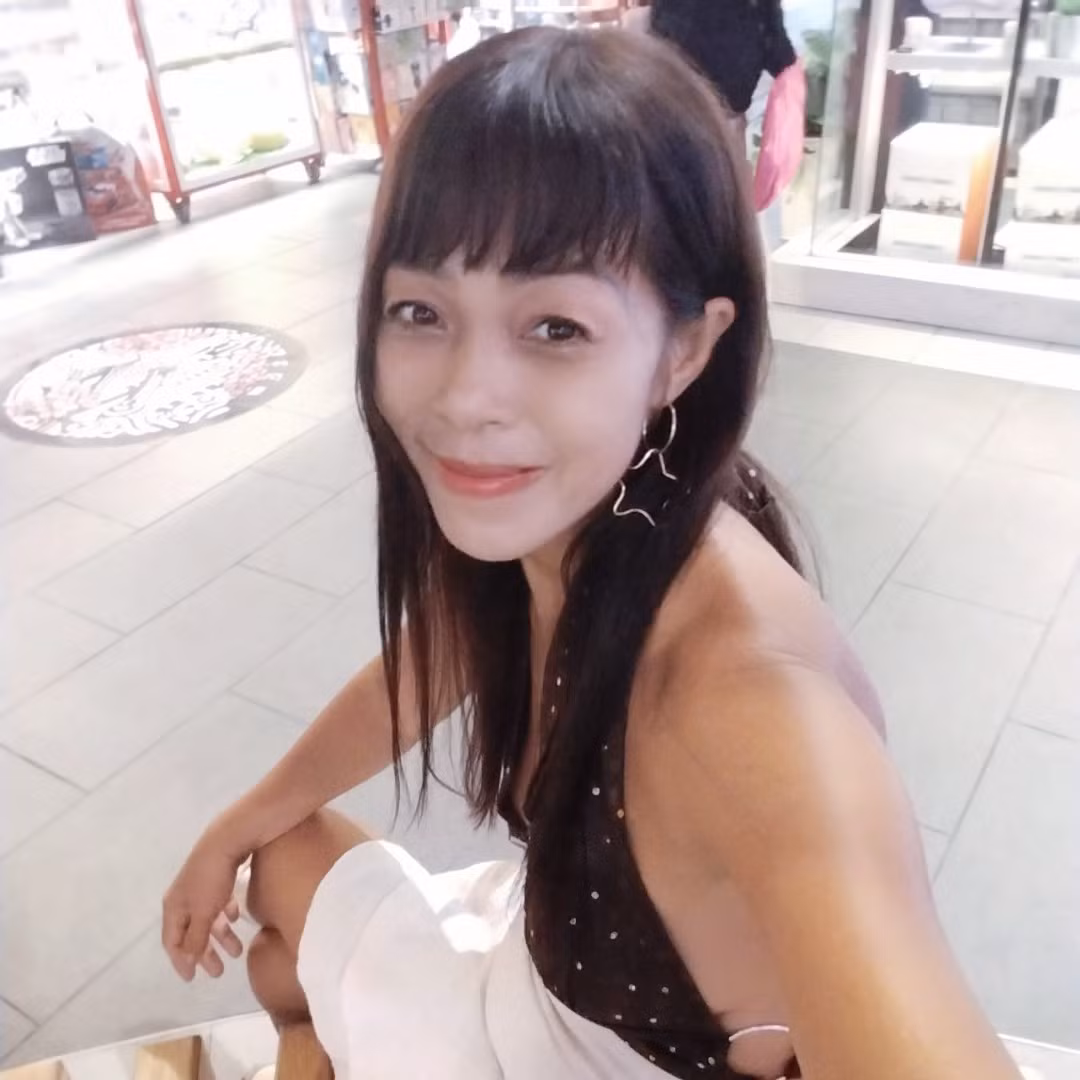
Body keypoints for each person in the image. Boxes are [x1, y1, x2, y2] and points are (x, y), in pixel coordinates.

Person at [162, 27, 1022, 1080]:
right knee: (275, 871)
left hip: (596, 1056)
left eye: (556, 328)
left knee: (283, 963)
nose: (466, 399)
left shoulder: (746, 708)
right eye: (421, 310)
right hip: (538, 978)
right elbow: (448, 643)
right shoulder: (591, 512)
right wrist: (237, 820)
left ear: (685, 349)